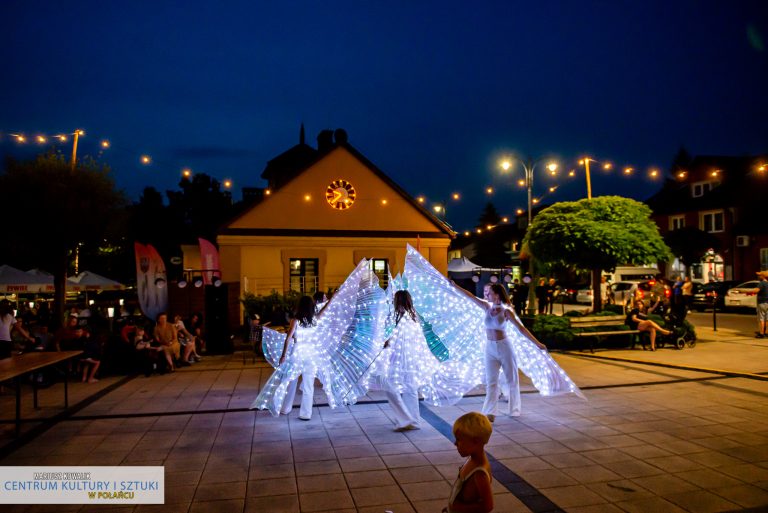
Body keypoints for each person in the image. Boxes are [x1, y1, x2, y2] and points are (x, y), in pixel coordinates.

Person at [460, 283, 546, 420]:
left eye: (490, 293)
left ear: (497, 295)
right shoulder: (486, 307)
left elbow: (521, 329)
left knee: (512, 379)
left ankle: (515, 410)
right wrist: (456, 286)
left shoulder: (506, 311)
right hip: (490, 348)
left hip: (505, 347)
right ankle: (490, 412)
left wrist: (537, 343)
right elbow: (470, 296)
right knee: (491, 381)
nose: (487, 295)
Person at [442, 412, 494, 513]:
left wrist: (457, 509)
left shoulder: (480, 473)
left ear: (475, 441)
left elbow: (488, 506)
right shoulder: (471, 460)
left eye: (459, 440)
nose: (455, 443)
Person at [749, 271, 768, 338]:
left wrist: (747, 291)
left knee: (761, 318)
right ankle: (766, 333)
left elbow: (756, 291)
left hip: (762, 303)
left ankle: (761, 333)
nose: (758, 277)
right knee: (767, 319)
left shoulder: (762, 283)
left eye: (759, 275)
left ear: (763, 276)